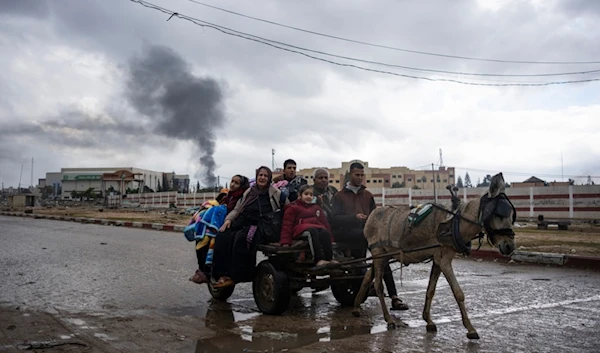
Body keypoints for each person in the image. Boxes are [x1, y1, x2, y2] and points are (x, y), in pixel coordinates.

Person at [331, 162, 408, 311]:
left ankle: (394, 297)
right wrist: (354, 218)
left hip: (366, 232)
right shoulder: (339, 196)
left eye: (361, 175)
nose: (359, 178)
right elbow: (334, 219)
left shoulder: (367, 195)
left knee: (382, 257)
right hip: (346, 233)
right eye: (356, 175)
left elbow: (374, 215)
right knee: (378, 252)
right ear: (350, 175)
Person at [212, 166, 287, 288]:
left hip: (261, 225)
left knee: (242, 239)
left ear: (269, 179)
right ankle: (221, 274)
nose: (262, 178)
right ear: (257, 177)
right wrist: (228, 220)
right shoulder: (249, 192)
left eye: (265, 176)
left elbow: (287, 209)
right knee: (222, 236)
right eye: (260, 175)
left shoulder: (276, 193)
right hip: (242, 221)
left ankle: (236, 276)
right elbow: (237, 208)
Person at [189, 175, 250, 284]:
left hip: (231, 225)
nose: (232, 184)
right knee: (201, 238)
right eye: (232, 181)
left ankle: (209, 272)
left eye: (236, 183)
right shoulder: (229, 195)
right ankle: (203, 271)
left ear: (242, 186)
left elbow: (234, 211)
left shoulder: (242, 197)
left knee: (215, 241)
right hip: (221, 223)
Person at [280, 185, 334, 266]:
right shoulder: (293, 208)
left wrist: (332, 239)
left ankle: (329, 259)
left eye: (311, 195)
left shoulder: (316, 208)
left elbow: (324, 223)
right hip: (300, 230)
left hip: (316, 228)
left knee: (325, 233)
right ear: (300, 195)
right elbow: (287, 225)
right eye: (306, 194)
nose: (309, 196)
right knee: (313, 232)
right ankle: (318, 259)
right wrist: (285, 242)